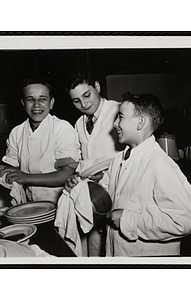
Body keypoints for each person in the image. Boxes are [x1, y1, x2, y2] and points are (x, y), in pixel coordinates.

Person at [99, 93, 191, 256]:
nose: (115, 124)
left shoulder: (160, 165)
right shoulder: (120, 159)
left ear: (141, 122)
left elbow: (182, 221)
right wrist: (81, 187)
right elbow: (104, 193)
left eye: (120, 117)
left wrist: (128, 219)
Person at [64, 69, 124, 256]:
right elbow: (82, 162)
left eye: (87, 95)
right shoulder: (79, 124)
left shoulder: (119, 111)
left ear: (97, 87)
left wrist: (105, 175)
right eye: (76, 101)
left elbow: (133, 154)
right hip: (93, 200)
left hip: (119, 193)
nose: (84, 104)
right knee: (94, 251)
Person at [0, 76, 80, 203]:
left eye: (43, 99)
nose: (36, 105)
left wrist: (25, 178)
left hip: (60, 203)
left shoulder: (62, 128)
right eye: (30, 99)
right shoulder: (16, 132)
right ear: (23, 103)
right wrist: (2, 171)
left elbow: (67, 174)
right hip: (30, 203)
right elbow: (12, 167)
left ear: (51, 103)